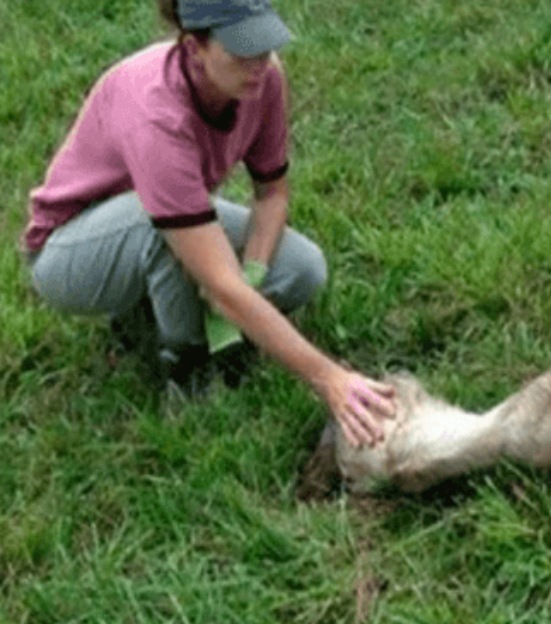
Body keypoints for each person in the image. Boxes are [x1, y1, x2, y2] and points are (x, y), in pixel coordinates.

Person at [20, 0, 394, 447]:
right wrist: (330, 379)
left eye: (264, 45)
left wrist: (251, 275)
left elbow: (272, 193)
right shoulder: (156, 111)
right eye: (242, 51)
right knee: (161, 230)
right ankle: (187, 366)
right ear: (194, 46)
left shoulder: (265, 79)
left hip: (170, 217)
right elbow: (218, 282)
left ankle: (146, 320)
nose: (258, 65)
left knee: (303, 269)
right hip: (70, 253)